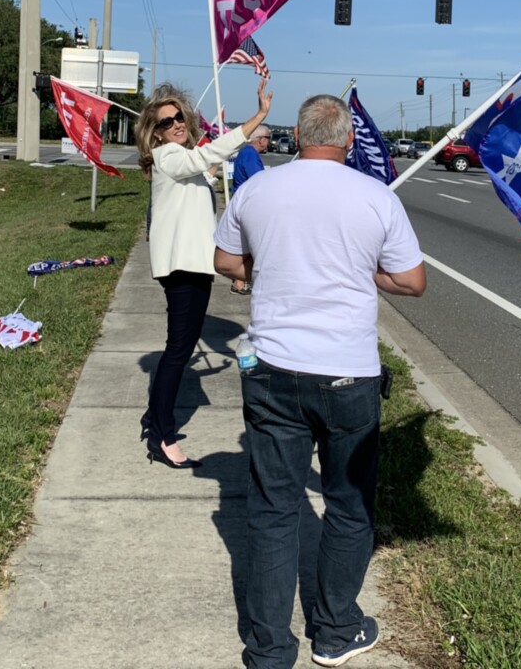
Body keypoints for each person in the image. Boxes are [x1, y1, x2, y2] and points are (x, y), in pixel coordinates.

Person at [214, 95, 426, 668]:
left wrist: (278, 265)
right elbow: (411, 281)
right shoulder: (375, 197)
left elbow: (226, 262)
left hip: (274, 371)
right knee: (349, 507)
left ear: (298, 135)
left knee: (272, 511)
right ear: (348, 139)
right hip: (347, 376)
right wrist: (361, 268)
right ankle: (334, 631)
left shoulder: (257, 189)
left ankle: (268, 649)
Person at [135, 79, 272, 470]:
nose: (177, 124)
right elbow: (203, 156)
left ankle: (153, 418)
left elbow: (201, 171)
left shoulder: (181, 157)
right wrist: (256, 120)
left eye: (180, 117)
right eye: (167, 121)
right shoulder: (168, 156)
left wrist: (210, 172)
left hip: (194, 265)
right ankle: (161, 435)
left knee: (181, 347)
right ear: (155, 132)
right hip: (182, 268)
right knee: (179, 350)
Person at [230, 123, 270, 295]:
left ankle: (241, 282)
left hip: (244, 201)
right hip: (247, 204)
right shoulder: (250, 155)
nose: (269, 142)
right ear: (260, 140)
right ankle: (240, 283)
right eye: (268, 138)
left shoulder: (248, 153)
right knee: (249, 244)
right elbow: (257, 180)